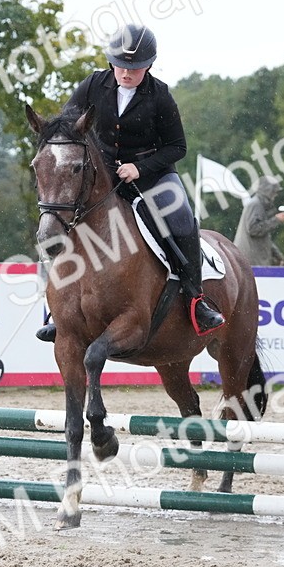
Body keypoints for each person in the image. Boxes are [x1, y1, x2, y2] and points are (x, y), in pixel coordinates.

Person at [35, 24, 225, 342]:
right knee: (65, 219)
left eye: (135, 68)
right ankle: (58, 310)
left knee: (181, 218)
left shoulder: (160, 95)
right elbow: (67, 126)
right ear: (112, 62)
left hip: (152, 175)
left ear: (148, 66)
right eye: (122, 65)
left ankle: (196, 299)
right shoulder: (93, 85)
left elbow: (178, 147)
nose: (127, 73)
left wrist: (140, 167)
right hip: (101, 176)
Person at [234, 176, 284, 267]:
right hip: (251, 261)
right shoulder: (256, 205)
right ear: (268, 191)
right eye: (274, 191)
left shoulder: (258, 205)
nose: (275, 195)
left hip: (252, 260)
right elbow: (253, 229)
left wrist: (277, 255)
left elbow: (263, 236)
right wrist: (276, 220)